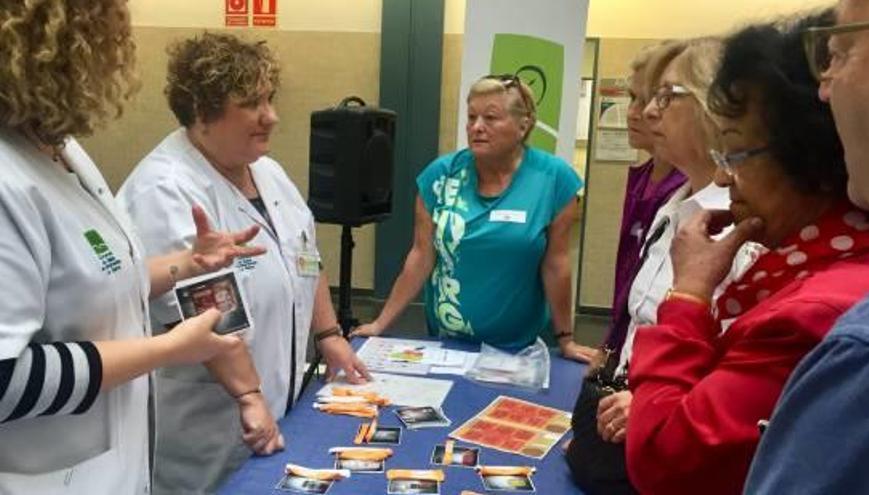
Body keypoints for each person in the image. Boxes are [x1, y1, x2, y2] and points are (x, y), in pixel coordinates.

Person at [0, 2, 269, 494]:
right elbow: (4, 378)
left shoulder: (61, 150)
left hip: (115, 468)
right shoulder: (8, 178)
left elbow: (91, 283)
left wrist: (186, 264)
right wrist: (167, 349)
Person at [624, 11, 869, 495]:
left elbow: (668, 457)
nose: (724, 178)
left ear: (809, 157)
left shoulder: (811, 310)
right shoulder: (800, 262)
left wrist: (689, 297)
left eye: (736, 153)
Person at [118, 33, 370, 494]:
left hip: (277, 406)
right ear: (201, 112)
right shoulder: (165, 191)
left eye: (270, 99)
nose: (271, 117)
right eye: (251, 103)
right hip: (211, 428)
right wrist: (248, 395)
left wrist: (329, 335)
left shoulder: (267, 171)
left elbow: (305, 254)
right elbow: (211, 320)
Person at [566, 38, 758, 494]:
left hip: (675, 445)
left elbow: (747, 368)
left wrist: (656, 403)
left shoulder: (740, 224)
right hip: (631, 435)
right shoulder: (675, 205)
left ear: (716, 106)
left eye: (667, 97)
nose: (649, 112)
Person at [352, 75, 593, 362]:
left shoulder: (554, 178)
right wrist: (381, 323)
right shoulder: (440, 175)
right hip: (448, 342)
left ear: (523, 125)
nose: (477, 127)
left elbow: (557, 263)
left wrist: (566, 339)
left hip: (520, 347)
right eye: (471, 117)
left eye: (490, 118)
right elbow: (421, 256)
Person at [744, 2, 869, 493]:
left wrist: (688, 300)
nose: (825, 88)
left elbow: (673, 450)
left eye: (838, 53)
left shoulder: (859, 346)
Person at [604, 43, 686, 354]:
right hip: (623, 344)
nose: (636, 112)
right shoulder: (643, 177)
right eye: (633, 99)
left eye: (650, 99)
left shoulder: (688, 192)